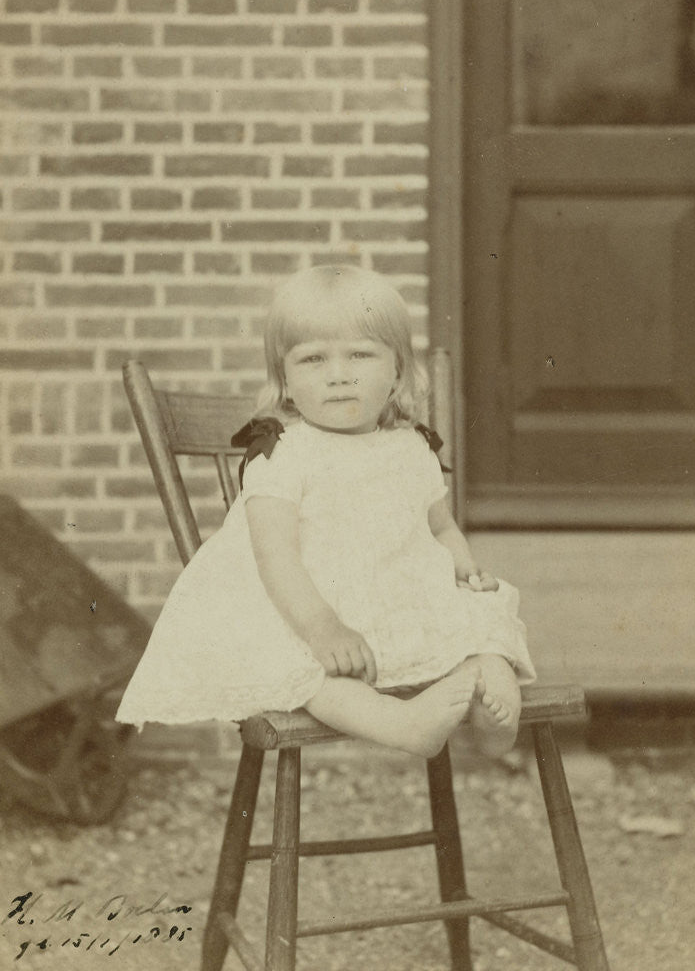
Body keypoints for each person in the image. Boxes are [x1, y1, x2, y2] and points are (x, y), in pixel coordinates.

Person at [116, 265, 536, 759]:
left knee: (485, 622)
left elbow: (440, 526)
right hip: (305, 608)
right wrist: (323, 628)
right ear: (286, 382)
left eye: (360, 354)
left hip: (392, 596)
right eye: (313, 358)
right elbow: (276, 558)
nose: (338, 374)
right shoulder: (281, 452)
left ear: (397, 370)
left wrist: (463, 565)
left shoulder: (409, 447)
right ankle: (401, 723)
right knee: (311, 673)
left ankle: (493, 702)